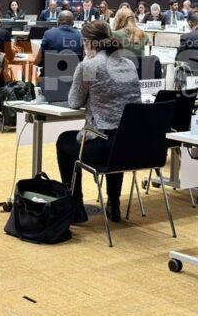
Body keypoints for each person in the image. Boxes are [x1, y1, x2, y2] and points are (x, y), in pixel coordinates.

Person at [55, 20, 141, 223]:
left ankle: (76, 207)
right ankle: (113, 202)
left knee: (63, 142)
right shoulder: (128, 63)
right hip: (131, 145)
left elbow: (74, 102)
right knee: (116, 135)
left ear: (88, 42)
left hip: (103, 146)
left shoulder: (89, 65)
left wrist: (86, 60)